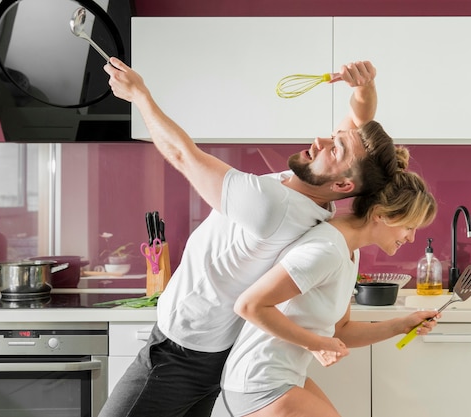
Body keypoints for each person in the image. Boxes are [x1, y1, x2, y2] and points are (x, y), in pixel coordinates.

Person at [100, 57, 398, 417]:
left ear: (342, 185)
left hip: (178, 351)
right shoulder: (318, 202)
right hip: (217, 352)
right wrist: (364, 90)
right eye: (332, 138)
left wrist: (140, 96)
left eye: (334, 148)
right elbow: (356, 130)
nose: (320, 140)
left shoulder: (269, 204)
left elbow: (181, 154)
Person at [221, 147, 439, 417]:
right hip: (257, 382)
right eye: (409, 226)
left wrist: (400, 325)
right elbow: (249, 306)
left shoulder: (349, 251)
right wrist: (314, 343)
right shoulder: (326, 249)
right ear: (381, 214)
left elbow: (340, 330)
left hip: (281, 377)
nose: (411, 238)